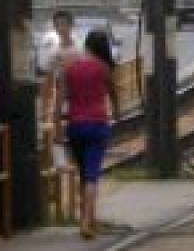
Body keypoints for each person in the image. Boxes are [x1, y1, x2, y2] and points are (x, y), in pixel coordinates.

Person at [54, 29, 116, 241]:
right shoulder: (104, 68)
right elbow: (113, 95)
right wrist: (116, 113)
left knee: (83, 174)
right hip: (97, 126)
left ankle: (88, 216)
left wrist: (56, 128)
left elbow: (59, 100)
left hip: (75, 127)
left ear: (87, 44)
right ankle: (86, 222)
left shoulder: (70, 67)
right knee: (92, 176)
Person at [41, 9, 80, 122]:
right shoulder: (54, 52)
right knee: (57, 117)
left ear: (71, 25)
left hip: (79, 90)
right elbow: (48, 79)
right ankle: (58, 138)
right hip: (61, 89)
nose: (61, 28)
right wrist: (44, 106)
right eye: (57, 25)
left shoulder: (80, 48)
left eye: (64, 24)